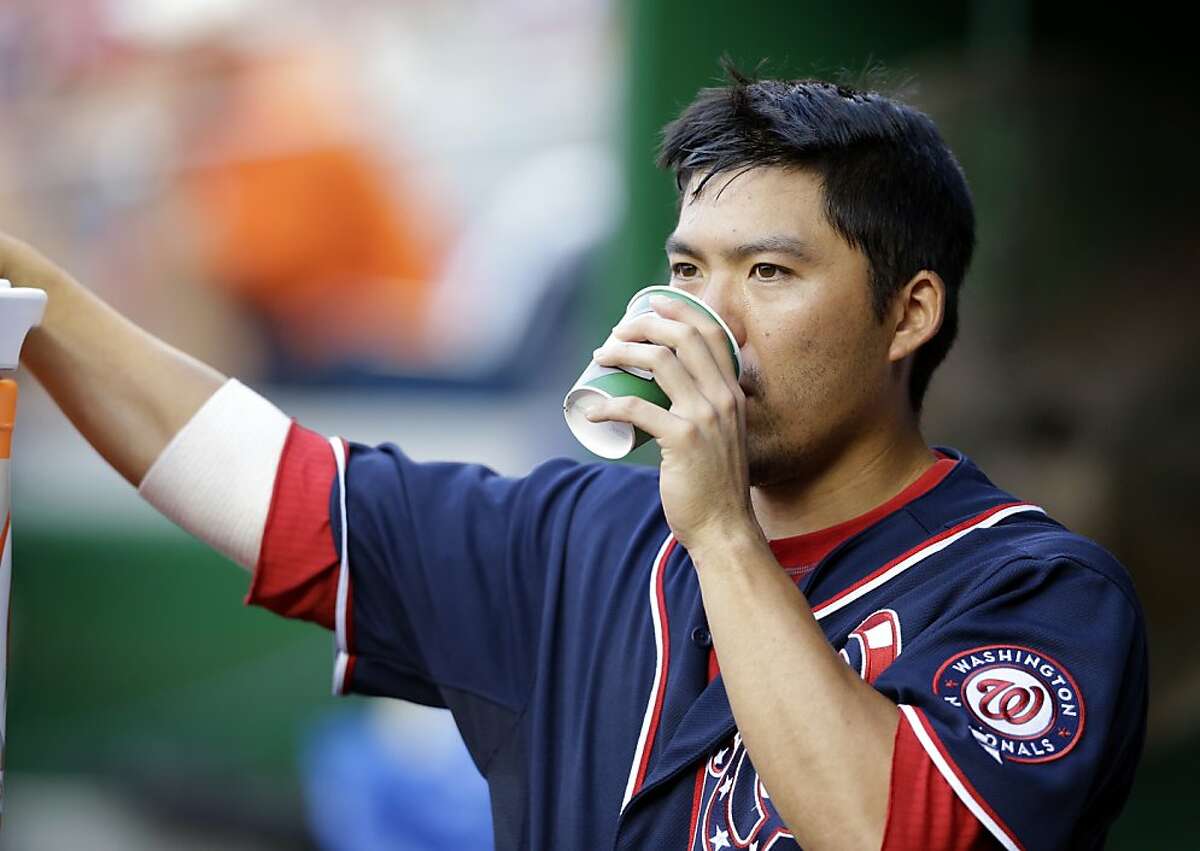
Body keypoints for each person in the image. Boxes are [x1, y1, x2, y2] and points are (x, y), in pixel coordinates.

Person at [6, 67, 1146, 851]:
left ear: (909, 314)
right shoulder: (585, 532)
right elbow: (271, 486)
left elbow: (888, 831)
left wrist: (719, 531)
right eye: (688, 269)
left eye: (769, 273)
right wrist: (31, 294)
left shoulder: (1037, 588)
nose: (708, 315)